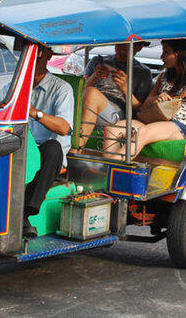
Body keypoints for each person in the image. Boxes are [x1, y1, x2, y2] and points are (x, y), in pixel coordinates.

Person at [102, 38, 186, 159]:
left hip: (181, 126)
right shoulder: (164, 76)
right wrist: (157, 97)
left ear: (178, 54)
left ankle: (114, 166)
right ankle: (108, 169)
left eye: (166, 52)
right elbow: (144, 106)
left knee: (143, 133)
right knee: (112, 129)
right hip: (155, 120)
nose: (162, 57)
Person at [24, 46, 74, 238]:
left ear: (48, 56)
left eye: (35, 55)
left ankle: (25, 213)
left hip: (46, 153)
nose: (29, 60)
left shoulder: (61, 89)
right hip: (21, 146)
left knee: (53, 148)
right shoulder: (12, 86)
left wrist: (33, 112)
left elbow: (63, 127)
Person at [79, 42, 152, 149]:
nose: (122, 49)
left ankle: (77, 147)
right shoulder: (98, 61)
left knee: (91, 93)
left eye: (127, 46)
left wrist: (125, 89)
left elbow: (140, 111)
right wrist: (94, 76)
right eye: (120, 44)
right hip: (87, 105)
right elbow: (79, 91)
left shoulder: (143, 72)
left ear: (139, 47)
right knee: (90, 92)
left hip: (116, 116)